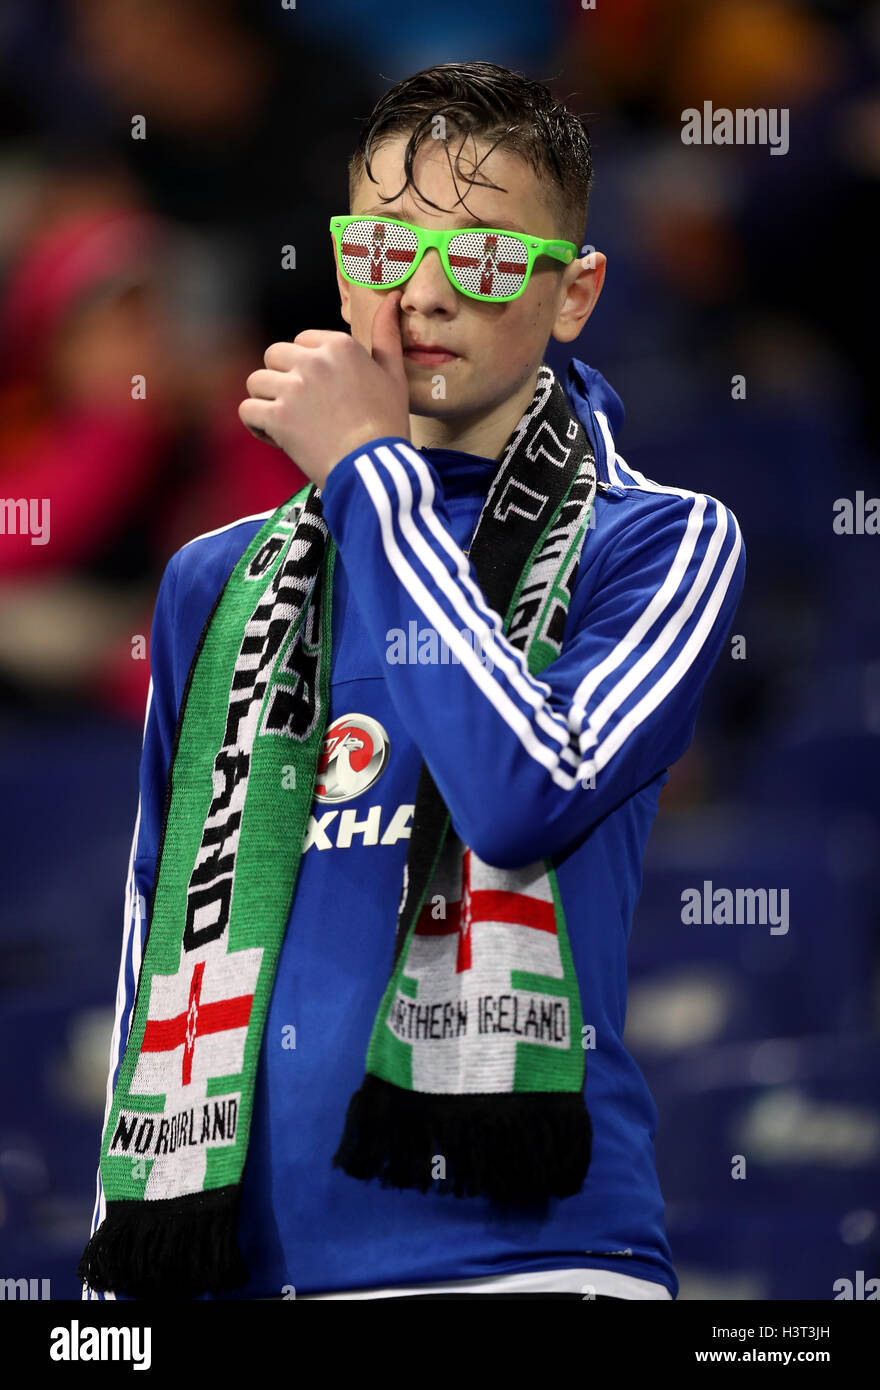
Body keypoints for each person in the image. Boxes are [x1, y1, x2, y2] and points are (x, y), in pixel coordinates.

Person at [80, 60, 745, 1302]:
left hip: (533, 1261)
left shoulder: (659, 540)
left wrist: (370, 479)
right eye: (384, 246)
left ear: (575, 293)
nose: (425, 291)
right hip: (244, 1270)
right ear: (342, 268)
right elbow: (147, 940)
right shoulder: (212, 582)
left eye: (488, 257)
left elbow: (520, 794)